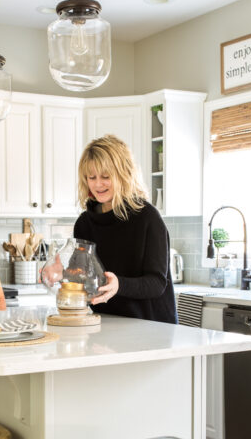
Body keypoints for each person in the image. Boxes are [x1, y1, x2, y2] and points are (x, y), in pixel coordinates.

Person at [73, 134, 177, 323]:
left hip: (151, 327)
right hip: (104, 324)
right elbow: (83, 280)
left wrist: (119, 285)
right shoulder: (84, 224)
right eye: (92, 177)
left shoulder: (147, 218)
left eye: (106, 176)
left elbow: (157, 283)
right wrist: (62, 272)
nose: (98, 184)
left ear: (124, 174)